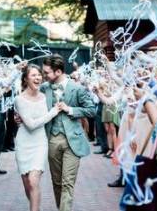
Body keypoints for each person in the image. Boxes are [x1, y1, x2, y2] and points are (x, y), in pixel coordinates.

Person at [41, 54, 96, 211]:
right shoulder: (44, 88)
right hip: (52, 139)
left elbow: (91, 110)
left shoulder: (77, 88)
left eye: (47, 72)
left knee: (67, 182)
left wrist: (70, 109)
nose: (44, 75)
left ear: (58, 72)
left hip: (73, 141)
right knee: (57, 182)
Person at [14, 64, 61, 211]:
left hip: (40, 142)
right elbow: (30, 125)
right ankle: (35, 207)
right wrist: (52, 112)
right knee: (28, 184)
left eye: (39, 75)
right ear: (26, 79)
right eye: (33, 75)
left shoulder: (46, 95)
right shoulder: (19, 99)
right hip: (23, 143)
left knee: (34, 181)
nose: (37, 77)